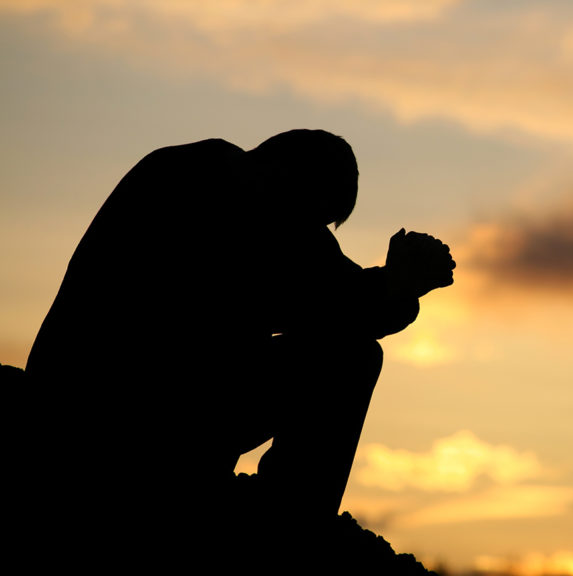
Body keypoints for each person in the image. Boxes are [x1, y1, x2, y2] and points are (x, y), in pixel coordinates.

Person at [23, 129, 455, 562]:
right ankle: (287, 532)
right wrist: (396, 285)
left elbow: (331, 293)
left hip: (111, 404)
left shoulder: (216, 180)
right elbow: (331, 296)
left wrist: (396, 288)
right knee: (350, 359)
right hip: (116, 417)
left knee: (349, 350)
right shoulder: (225, 185)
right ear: (294, 175)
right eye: (317, 217)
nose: (316, 234)